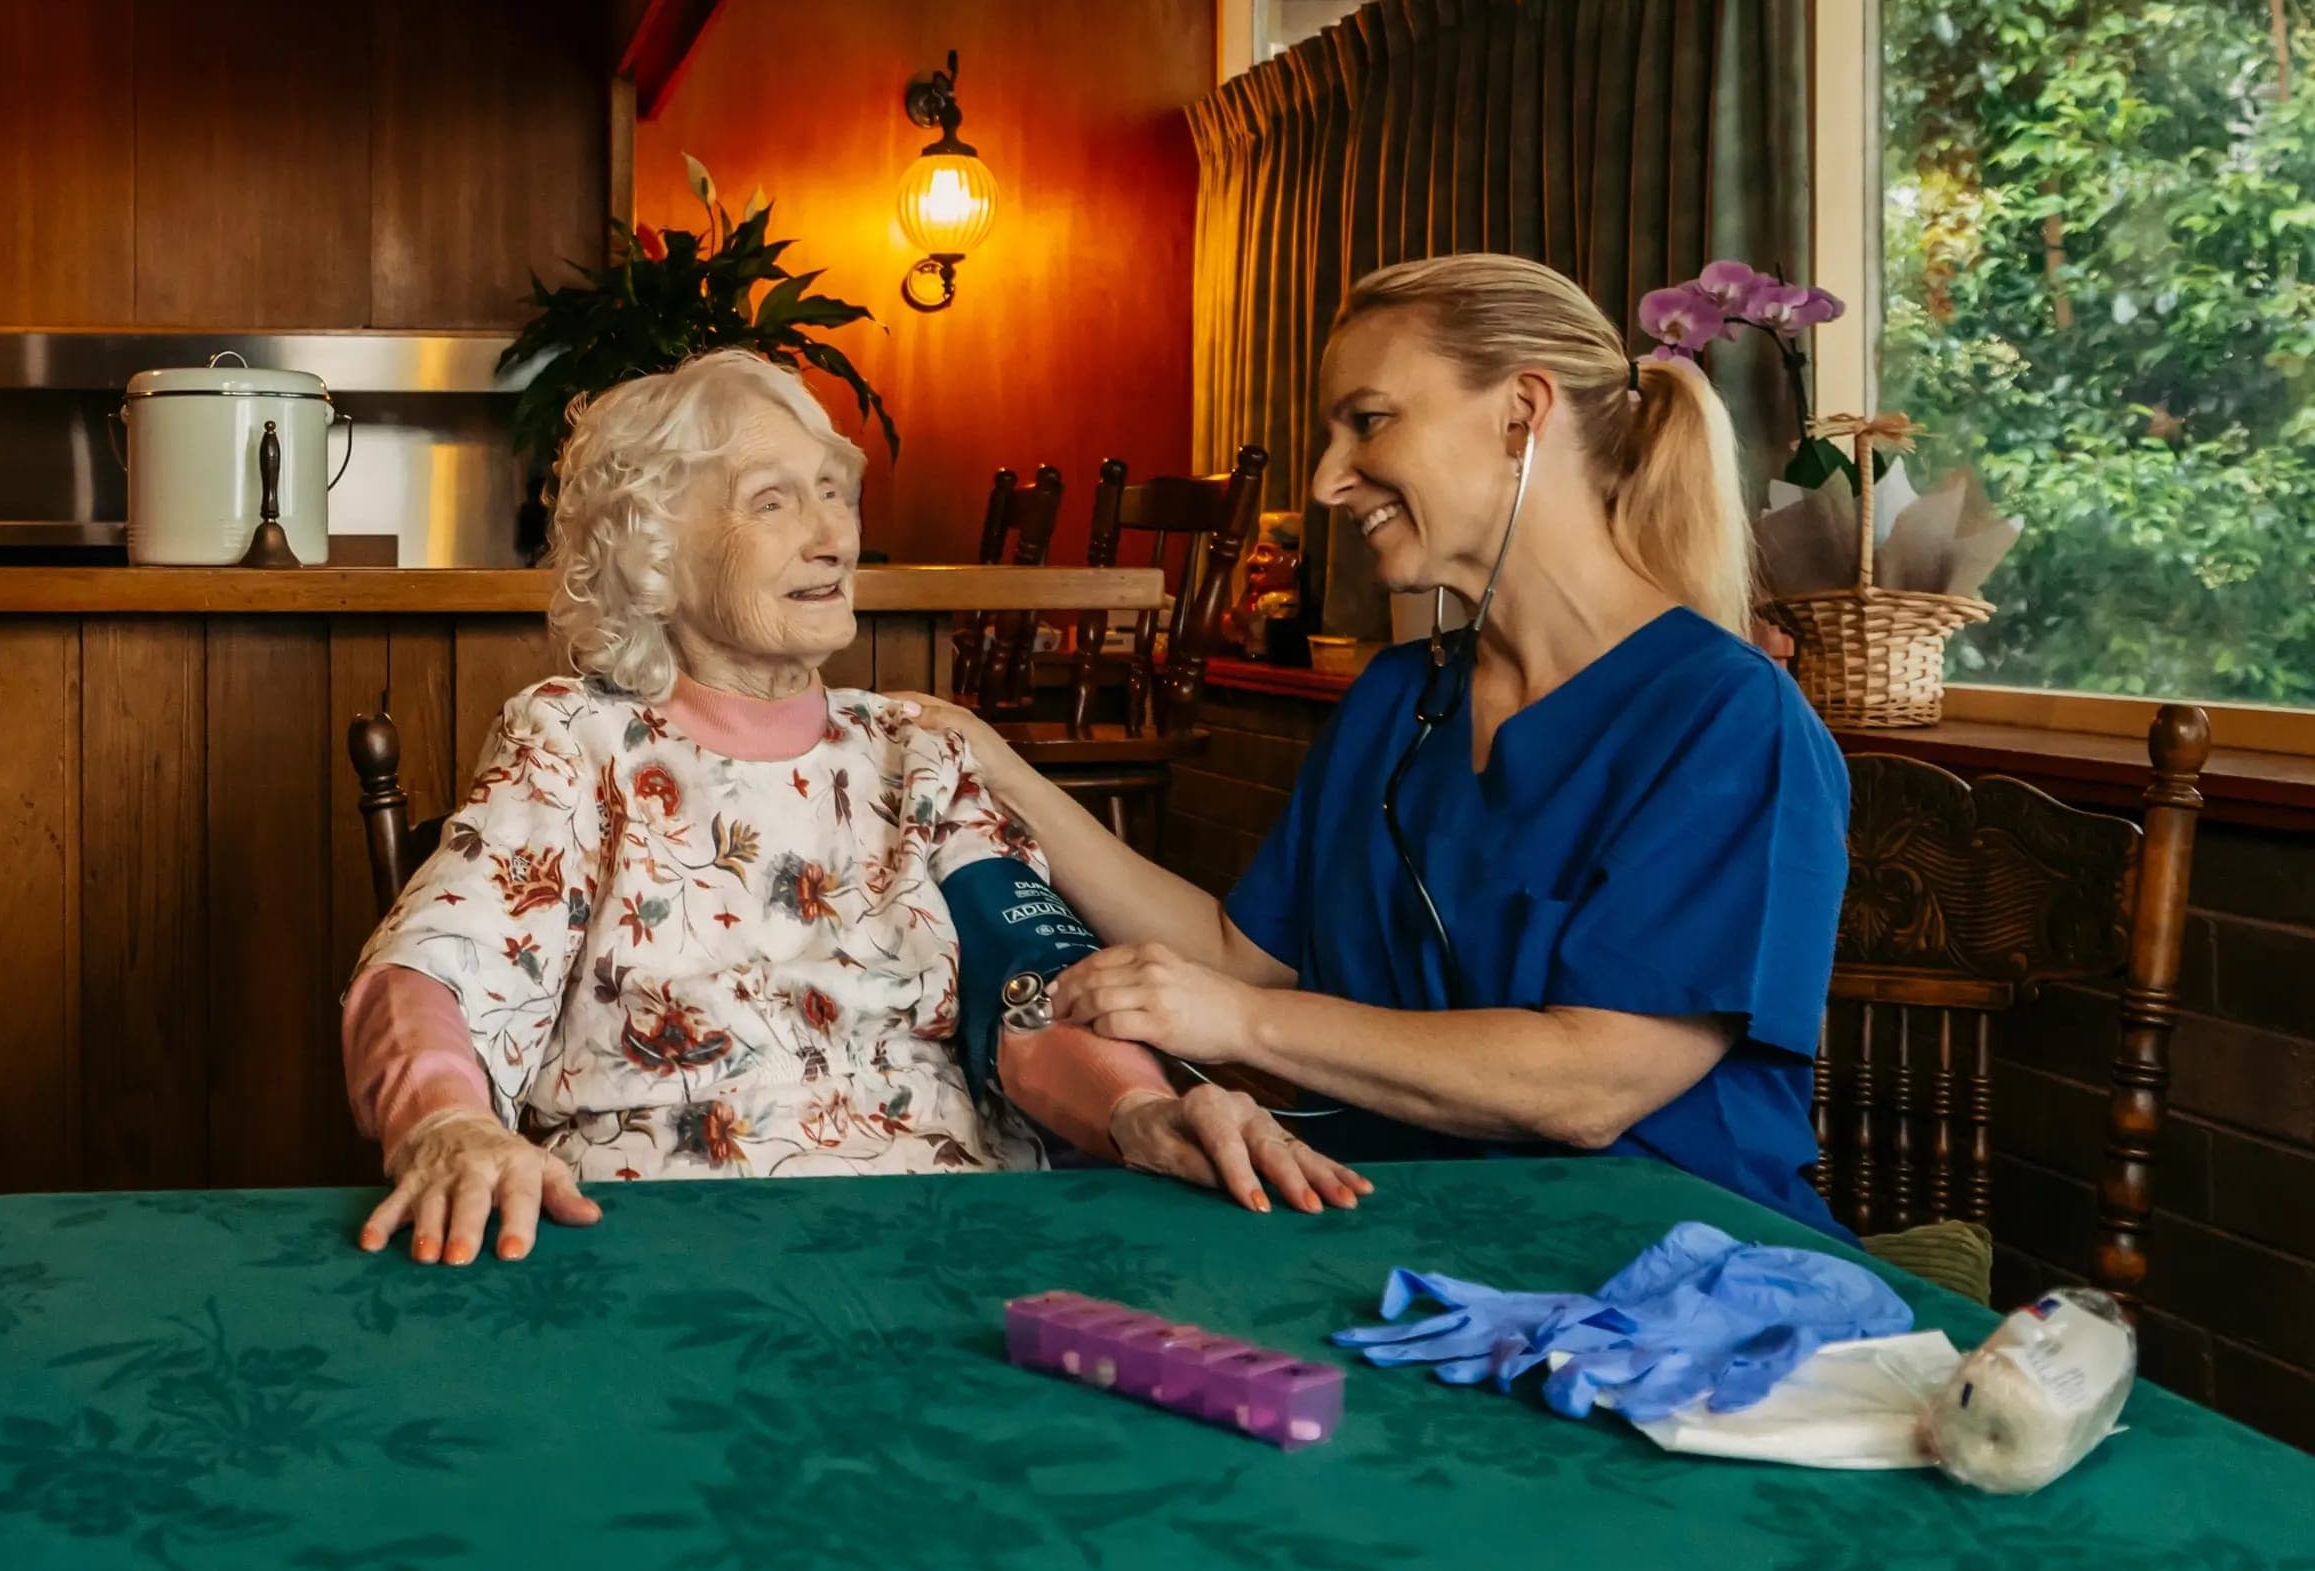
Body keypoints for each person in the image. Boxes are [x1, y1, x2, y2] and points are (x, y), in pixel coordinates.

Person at [345, 351, 1364, 1268]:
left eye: (836, 494)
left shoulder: (918, 751)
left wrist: (1140, 1106)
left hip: (942, 1233)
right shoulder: (577, 739)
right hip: (655, 1240)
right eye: (775, 501)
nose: (836, 535)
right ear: (653, 554)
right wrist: (446, 1123)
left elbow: (1033, 988)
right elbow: (435, 965)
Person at [910, 255, 1852, 1238]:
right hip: (1403, 1239)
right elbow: (1243, 954)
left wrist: (1238, 1024)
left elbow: (1594, 1082)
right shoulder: (1402, 697)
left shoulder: (1729, 719)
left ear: (1523, 414)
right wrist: (999, 766)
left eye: (1369, 421)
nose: (1325, 480)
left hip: (1674, 1276)